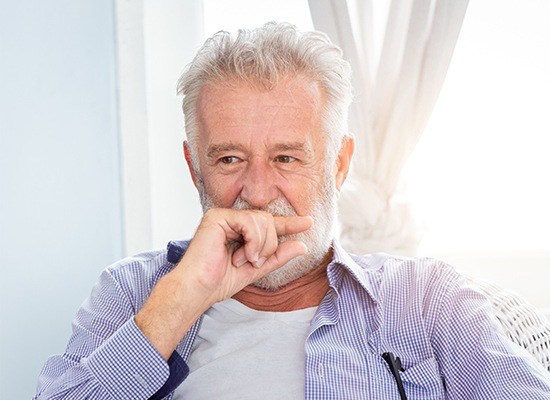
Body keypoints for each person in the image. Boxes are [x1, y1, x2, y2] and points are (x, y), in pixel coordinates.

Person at [34, 22, 550, 400]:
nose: (257, 194)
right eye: (230, 158)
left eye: (286, 158)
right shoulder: (132, 294)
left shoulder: (427, 300)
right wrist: (180, 300)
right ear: (195, 168)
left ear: (340, 164)